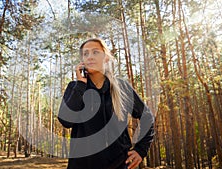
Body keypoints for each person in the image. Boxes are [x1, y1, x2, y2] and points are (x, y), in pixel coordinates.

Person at [58, 38, 154, 169]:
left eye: (95, 52)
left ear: (106, 58)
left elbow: (147, 117)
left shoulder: (122, 87)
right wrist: (80, 86)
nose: (90, 57)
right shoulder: (75, 87)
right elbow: (66, 121)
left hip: (120, 165)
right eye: (86, 54)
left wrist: (140, 150)